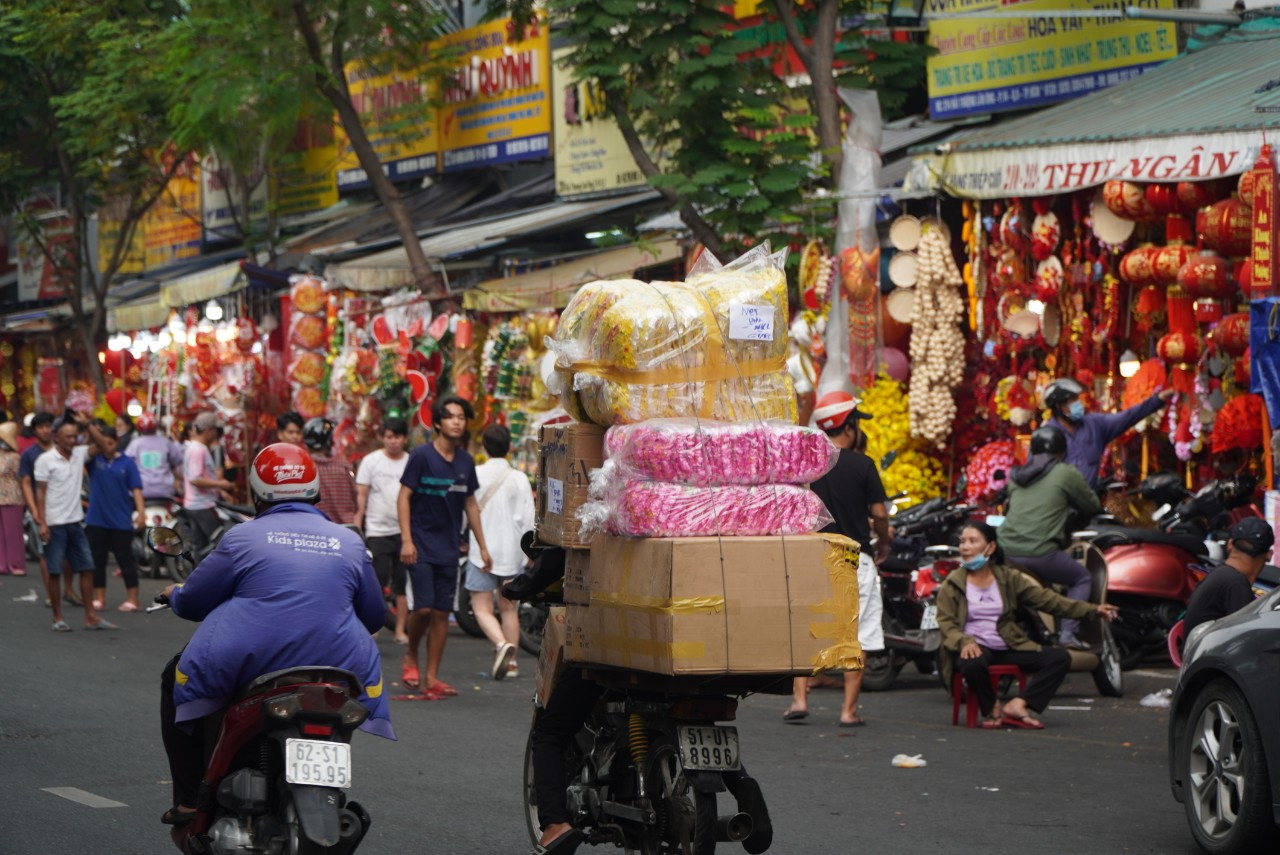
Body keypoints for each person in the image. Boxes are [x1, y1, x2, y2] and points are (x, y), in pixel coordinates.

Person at [158, 442, 393, 826]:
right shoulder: (349, 541)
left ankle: (188, 799)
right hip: (341, 665)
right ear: (313, 489)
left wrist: (174, 595)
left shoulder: (242, 538)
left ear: (256, 492)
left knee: (175, 677)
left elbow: (195, 603)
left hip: (249, 659)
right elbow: (373, 615)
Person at [937, 521, 1118, 729]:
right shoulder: (953, 583)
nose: (965, 547)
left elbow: (1049, 601)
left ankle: (1020, 704)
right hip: (973, 647)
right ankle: (990, 706)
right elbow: (946, 623)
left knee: (1059, 658)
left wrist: (1093, 610)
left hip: (1007, 645)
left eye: (972, 541)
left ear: (991, 547)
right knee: (972, 662)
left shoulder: (1008, 578)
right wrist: (963, 641)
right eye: (962, 542)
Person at [787, 390, 888, 727]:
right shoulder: (863, 464)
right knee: (858, 634)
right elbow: (879, 512)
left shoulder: (807, 465)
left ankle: (800, 699)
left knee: (806, 629)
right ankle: (848, 711)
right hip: (854, 557)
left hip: (814, 557)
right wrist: (883, 540)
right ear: (850, 426)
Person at [397, 395, 492, 700]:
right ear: (438, 422)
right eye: (450, 416)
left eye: (462, 417)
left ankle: (431, 678)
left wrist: (483, 546)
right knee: (423, 607)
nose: (456, 421)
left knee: (441, 613)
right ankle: (411, 654)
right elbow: (403, 498)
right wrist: (407, 540)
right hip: (420, 545)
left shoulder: (465, 461)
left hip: (450, 548)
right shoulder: (421, 456)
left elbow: (470, 504)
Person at [998, 425, 1102, 649]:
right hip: (1040, 553)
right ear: (1061, 452)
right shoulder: (1064, 472)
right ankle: (1068, 633)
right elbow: (1091, 505)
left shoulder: (1016, 476)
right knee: (1081, 578)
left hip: (1004, 551)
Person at [465, 425, 535, 681]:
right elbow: (530, 519)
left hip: (480, 550)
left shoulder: (475, 474)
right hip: (512, 552)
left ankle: (500, 644)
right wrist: (530, 554)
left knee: (482, 608)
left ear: (484, 447)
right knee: (508, 608)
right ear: (509, 448)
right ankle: (513, 662)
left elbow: (468, 508)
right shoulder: (519, 478)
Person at [35, 414, 115, 631]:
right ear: (57, 439)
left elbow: (105, 445)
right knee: (54, 572)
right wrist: (42, 523)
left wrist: (88, 424)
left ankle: (90, 616)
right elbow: (39, 493)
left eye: (75, 436)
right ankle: (58, 618)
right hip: (54, 524)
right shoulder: (45, 460)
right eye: (68, 437)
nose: (72, 440)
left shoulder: (79, 454)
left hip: (76, 523)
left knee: (87, 569)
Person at [1043, 377, 1175, 489]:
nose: (1078, 404)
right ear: (1058, 407)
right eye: (1072, 401)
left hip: (1089, 503)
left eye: (1077, 399)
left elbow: (1127, 417)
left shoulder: (1094, 424)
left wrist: (1157, 400)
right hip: (1060, 507)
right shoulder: (1046, 436)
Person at [355, 417, 411, 644]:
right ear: (383, 437)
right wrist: (356, 526)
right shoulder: (371, 461)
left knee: (402, 583)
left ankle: (399, 630)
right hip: (377, 530)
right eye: (389, 437)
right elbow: (361, 495)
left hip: (404, 532)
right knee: (375, 582)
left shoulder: (412, 461)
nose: (393, 441)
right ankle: (372, 628)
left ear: (405, 439)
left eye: (397, 437)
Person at [82, 422, 146, 612]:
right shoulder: (95, 461)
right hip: (96, 520)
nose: (107, 446)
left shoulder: (127, 462)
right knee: (97, 561)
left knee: (125, 560)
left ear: (116, 442)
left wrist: (141, 513)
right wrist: (91, 428)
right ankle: (99, 598)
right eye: (104, 443)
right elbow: (88, 445)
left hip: (120, 520)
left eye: (110, 443)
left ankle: (133, 599)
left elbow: (136, 489)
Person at [1182, 517, 1275, 635]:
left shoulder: (1221, 574)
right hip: (1206, 652)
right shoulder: (1236, 583)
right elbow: (1249, 634)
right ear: (1269, 555)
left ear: (1230, 544)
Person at [20, 413, 63, 595]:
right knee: (45, 553)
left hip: (64, 507)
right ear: (35, 430)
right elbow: (26, 483)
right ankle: (51, 594)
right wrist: (34, 510)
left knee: (68, 555)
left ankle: (68, 590)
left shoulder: (63, 450)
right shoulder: (29, 454)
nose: (46, 430)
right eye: (41, 427)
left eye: (48, 426)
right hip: (41, 509)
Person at [182, 412, 235, 554]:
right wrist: (221, 484)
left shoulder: (195, 448)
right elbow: (195, 479)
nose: (216, 433)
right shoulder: (198, 450)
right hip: (202, 505)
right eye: (214, 430)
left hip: (195, 504)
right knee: (218, 544)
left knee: (201, 548)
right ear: (208, 430)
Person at [304, 417, 357, 525]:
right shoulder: (343, 468)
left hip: (314, 530)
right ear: (329, 442)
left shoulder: (304, 469)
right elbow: (355, 503)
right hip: (344, 531)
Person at [125, 412, 185, 503]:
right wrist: (176, 443)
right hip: (165, 490)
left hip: (141, 491)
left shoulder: (135, 444)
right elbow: (178, 459)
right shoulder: (165, 442)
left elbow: (126, 463)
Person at [0, 421, 26, 575]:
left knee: (13, 533)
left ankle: (16, 564)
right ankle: (2, 564)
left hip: (13, 497)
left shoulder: (15, 457)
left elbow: (21, 478)